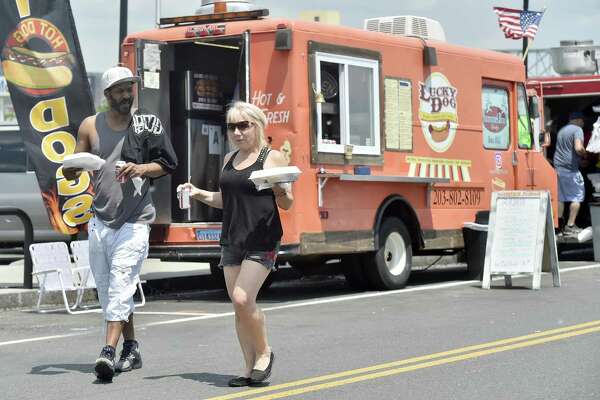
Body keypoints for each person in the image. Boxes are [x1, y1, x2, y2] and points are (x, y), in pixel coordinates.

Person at [63, 66, 178, 381]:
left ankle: (108, 352)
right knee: (109, 290)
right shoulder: (90, 126)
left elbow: (168, 163)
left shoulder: (146, 123)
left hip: (135, 220)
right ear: (108, 95)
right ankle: (132, 347)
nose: (127, 95)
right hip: (101, 220)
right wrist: (74, 168)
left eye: (130, 88)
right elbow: (72, 168)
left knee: (121, 284)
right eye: (120, 90)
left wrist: (142, 168)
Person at [178, 101, 293, 387]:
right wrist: (197, 193)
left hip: (262, 237)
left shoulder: (272, 157)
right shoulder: (230, 158)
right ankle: (248, 368)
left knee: (243, 298)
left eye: (244, 125)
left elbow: (288, 202)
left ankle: (265, 352)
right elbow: (224, 199)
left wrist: (279, 188)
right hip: (232, 237)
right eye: (232, 127)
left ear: (257, 125)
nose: (237, 132)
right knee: (239, 306)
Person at [553, 111, 586, 235]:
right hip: (571, 170)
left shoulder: (562, 130)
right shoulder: (577, 130)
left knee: (561, 197)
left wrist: (578, 160)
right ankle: (570, 226)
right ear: (578, 120)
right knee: (577, 196)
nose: (583, 124)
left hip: (558, 169)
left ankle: (559, 226)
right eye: (582, 122)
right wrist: (585, 153)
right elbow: (578, 148)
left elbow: (566, 151)